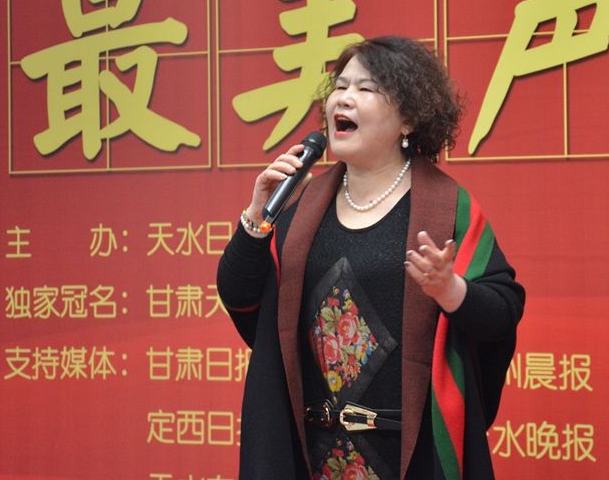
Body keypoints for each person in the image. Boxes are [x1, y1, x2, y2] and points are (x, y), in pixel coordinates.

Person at [217, 36, 524, 479]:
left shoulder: (448, 209)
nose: (344, 98)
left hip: (411, 456)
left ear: (409, 119)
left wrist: (451, 291)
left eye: (365, 88)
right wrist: (256, 214)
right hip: (310, 455)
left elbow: (502, 313)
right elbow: (242, 298)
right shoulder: (302, 206)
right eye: (340, 86)